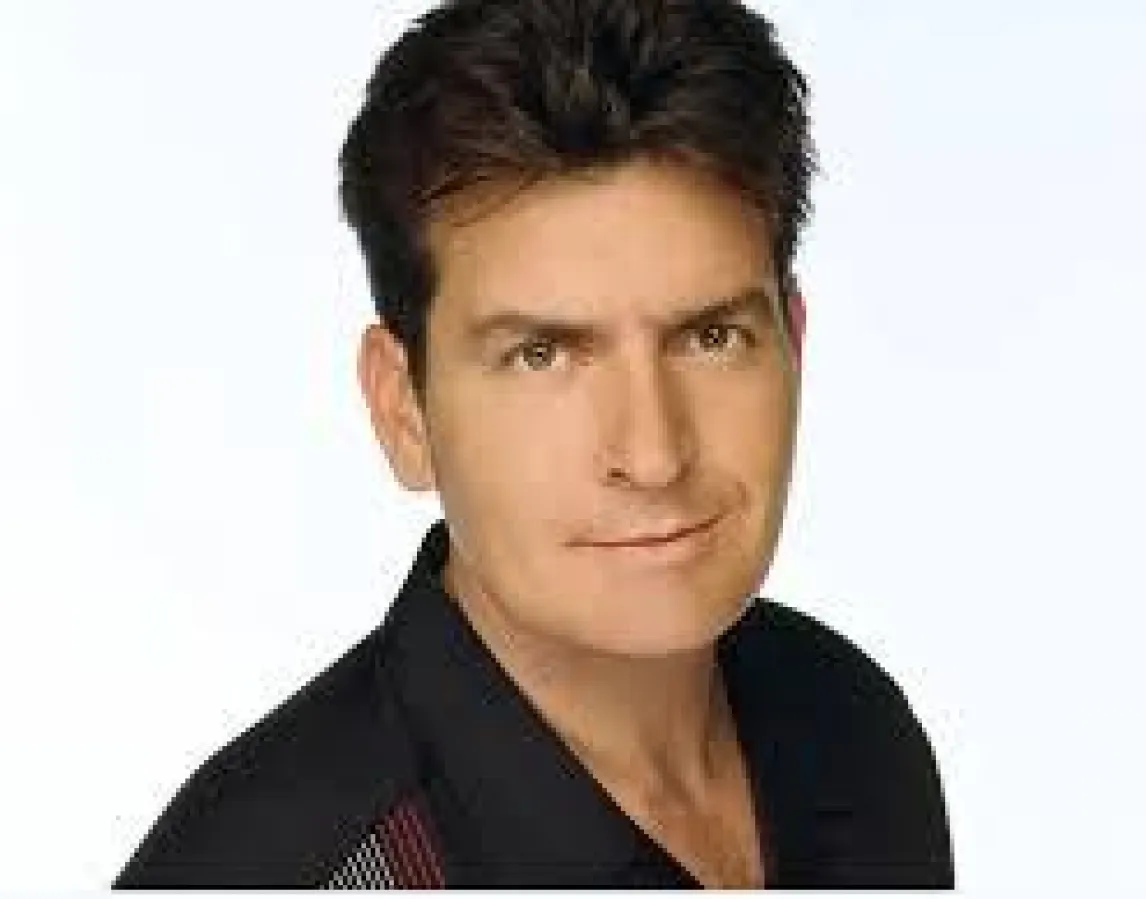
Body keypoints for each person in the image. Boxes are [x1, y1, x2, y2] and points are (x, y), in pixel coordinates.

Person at [114, 0, 954, 888]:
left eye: (711, 337)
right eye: (542, 355)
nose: (653, 453)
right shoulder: (274, 871)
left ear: (794, 342)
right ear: (403, 409)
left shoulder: (853, 731)